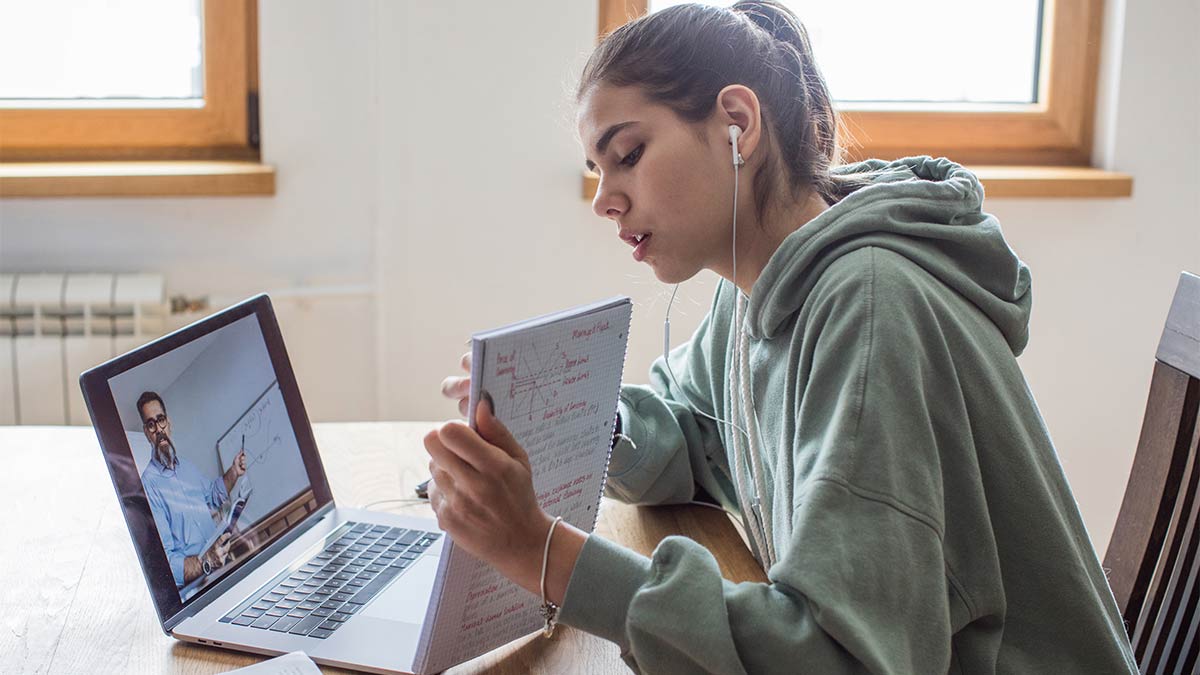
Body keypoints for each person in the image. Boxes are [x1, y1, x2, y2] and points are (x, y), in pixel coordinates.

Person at [426, 2, 1138, 672]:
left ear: (737, 121)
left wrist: (541, 550)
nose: (607, 199)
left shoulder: (868, 307)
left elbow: (841, 656)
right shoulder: (760, 288)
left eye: (629, 153)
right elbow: (695, 434)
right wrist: (577, 421)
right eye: (598, 169)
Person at [137, 391, 247, 588]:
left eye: (160, 420)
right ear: (146, 432)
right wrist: (206, 562)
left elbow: (213, 496)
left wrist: (234, 471)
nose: (158, 429)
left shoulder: (187, 467)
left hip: (222, 564)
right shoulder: (148, 484)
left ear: (169, 423)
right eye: (151, 424)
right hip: (199, 586)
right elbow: (166, 561)